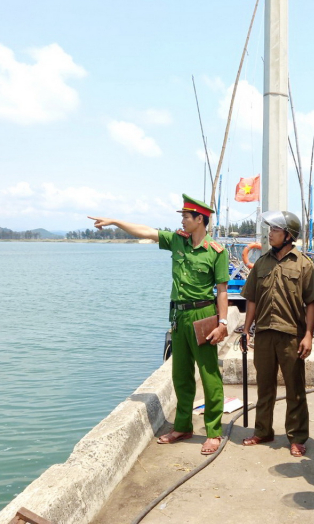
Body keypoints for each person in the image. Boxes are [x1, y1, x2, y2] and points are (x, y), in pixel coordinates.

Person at [88, 194, 229, 456]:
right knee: (181, 375)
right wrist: (116, 222)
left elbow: (222, 291)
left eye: (187, 217)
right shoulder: (177, 240)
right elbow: (146, 231)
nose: (183, 221)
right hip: (179, 317)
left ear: (200, 219)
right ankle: (184, 426)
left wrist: (222, 323)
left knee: (210, 377)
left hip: (204, 316)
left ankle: (213, 432)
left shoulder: (216, 251)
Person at [240, 210, 314, 457]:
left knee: (295, 388)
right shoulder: (262, 262)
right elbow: (252, 299)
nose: (270, 234)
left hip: (291, 335)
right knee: (264, 386)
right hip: (264, 333)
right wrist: (246, 330)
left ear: (288, 235)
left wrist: (307, 335)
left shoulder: (304, 264)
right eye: (270, 229)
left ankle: (297, 436)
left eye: (275, 230)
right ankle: (263, 430)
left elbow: (312, 303)